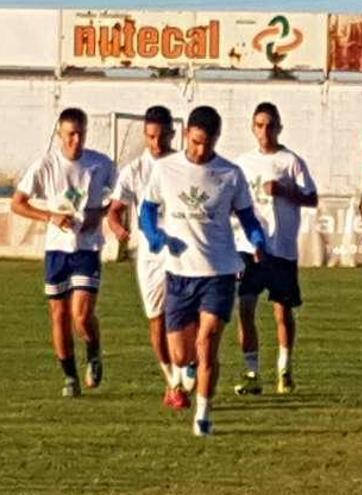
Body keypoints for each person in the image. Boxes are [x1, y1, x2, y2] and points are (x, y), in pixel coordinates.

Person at [139, 106, 266, 437]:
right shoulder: (165, 169)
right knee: (181, 355)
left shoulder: (230, 174)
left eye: (207, 145)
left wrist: (255, 238)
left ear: (216, 140)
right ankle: (187, 368)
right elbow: (147, 210)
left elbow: (247, 216)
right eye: (195, 143)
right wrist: (154, 235)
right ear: (186, 135)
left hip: (219, 271)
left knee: (207, 342)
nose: (200, 150)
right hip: (179, 273)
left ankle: (203, 416)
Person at [11, 107, 116, 397]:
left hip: (87, 248)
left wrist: (103, 213)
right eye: (70, 134)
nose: (76, 140)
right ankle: (70, 377)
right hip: (57, 249)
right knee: (59, 315)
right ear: (60, 135)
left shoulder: (100, 164)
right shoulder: (45, 165)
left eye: (81, 133)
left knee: (80, 316)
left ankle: (93, 351)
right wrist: (50, 216)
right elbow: (17, 202)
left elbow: (123, 197)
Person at [107, 105, 190, 409]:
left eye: (162, 136)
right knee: (156, 320)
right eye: (151, 137)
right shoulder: (134, 170)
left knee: (184, 317)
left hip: (184, 252)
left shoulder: (184, 164)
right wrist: (117, 227)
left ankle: (186, 369)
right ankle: (173, 382)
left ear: (172, 133)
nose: (156, 143)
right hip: (150, 257)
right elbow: (114, 210)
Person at [232, 102, 318, 396]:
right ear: (253, 128)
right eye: (259, 125)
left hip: (281, 248)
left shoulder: (290, 161)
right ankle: (252, 371)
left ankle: (284, 367)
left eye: (270, 125)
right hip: (249, 247)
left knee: (282, 312)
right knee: (245, 307)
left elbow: (312, 198)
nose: (264, 131)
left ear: (279, 127)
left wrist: (284, 191)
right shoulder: (242, 163)